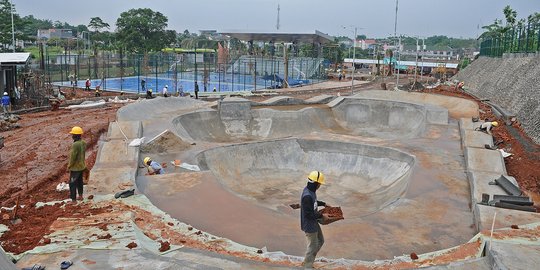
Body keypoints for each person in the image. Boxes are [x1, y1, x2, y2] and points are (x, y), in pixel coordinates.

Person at [300, 171, 330, 269]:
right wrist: (322, 215)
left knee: (320, 240)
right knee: (312, 246)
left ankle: (309, 259)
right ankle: (307, 266)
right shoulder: (307, 196)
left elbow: (314, 203)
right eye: (319, 184)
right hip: (309, 225)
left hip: (313, 221)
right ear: (316, 183)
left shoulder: (311, 191)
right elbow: (309, 214)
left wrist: (323, 204)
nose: (320, 186)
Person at [68, 126, 86, 203]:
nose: (72, 136)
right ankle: (81, 195)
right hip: (82, 166)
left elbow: (73, 157)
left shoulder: (75, 145)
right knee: (80, 181)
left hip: (75, 168)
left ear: (75, 135)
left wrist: (69, 166)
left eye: (73, 135)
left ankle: (73, 200)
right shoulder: (83, 143)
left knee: (72, 183)